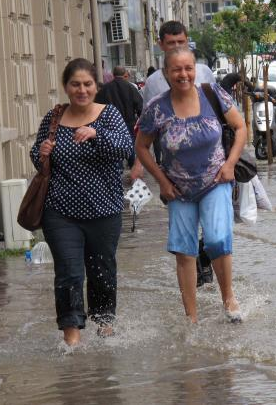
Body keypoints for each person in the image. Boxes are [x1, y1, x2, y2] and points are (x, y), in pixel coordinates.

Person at [135, 46, 246, 324]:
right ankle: (191, 318)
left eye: (188, 68)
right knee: (184, 250)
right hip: (179, 190)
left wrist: (230, 164)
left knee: (218, 239)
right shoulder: (156, 109)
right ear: (166, 73)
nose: (183, 74)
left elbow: (241, 127)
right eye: (177, 69)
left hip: (215, 180)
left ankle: (228, 297)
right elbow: (142, 147)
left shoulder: (212, 94)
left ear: (194, 70)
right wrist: (162, 181)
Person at [30, 58, 134, 346]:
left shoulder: (108, 115)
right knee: (69, 272)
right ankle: (72, 338)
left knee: (102, 271)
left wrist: (96, 135)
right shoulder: (54, 118)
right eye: (75, 84)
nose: (81, 90)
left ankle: (104, 327)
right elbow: (38, 160)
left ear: (96, 86)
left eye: (87, 84)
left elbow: (126, 148)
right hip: (61, 212)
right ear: (66, 87)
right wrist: (43, 152)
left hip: (104, 210)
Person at [95, 65, 143, 168]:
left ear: (113, 74)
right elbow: (140, 105)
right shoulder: (130, 87)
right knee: (129, 144)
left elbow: (96, 104)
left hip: (110, 123)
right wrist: (141, 120)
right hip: (128, 122)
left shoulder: (106, 88)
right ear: (124, 74)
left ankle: (119, 167)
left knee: (114, 144)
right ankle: (132, 165)